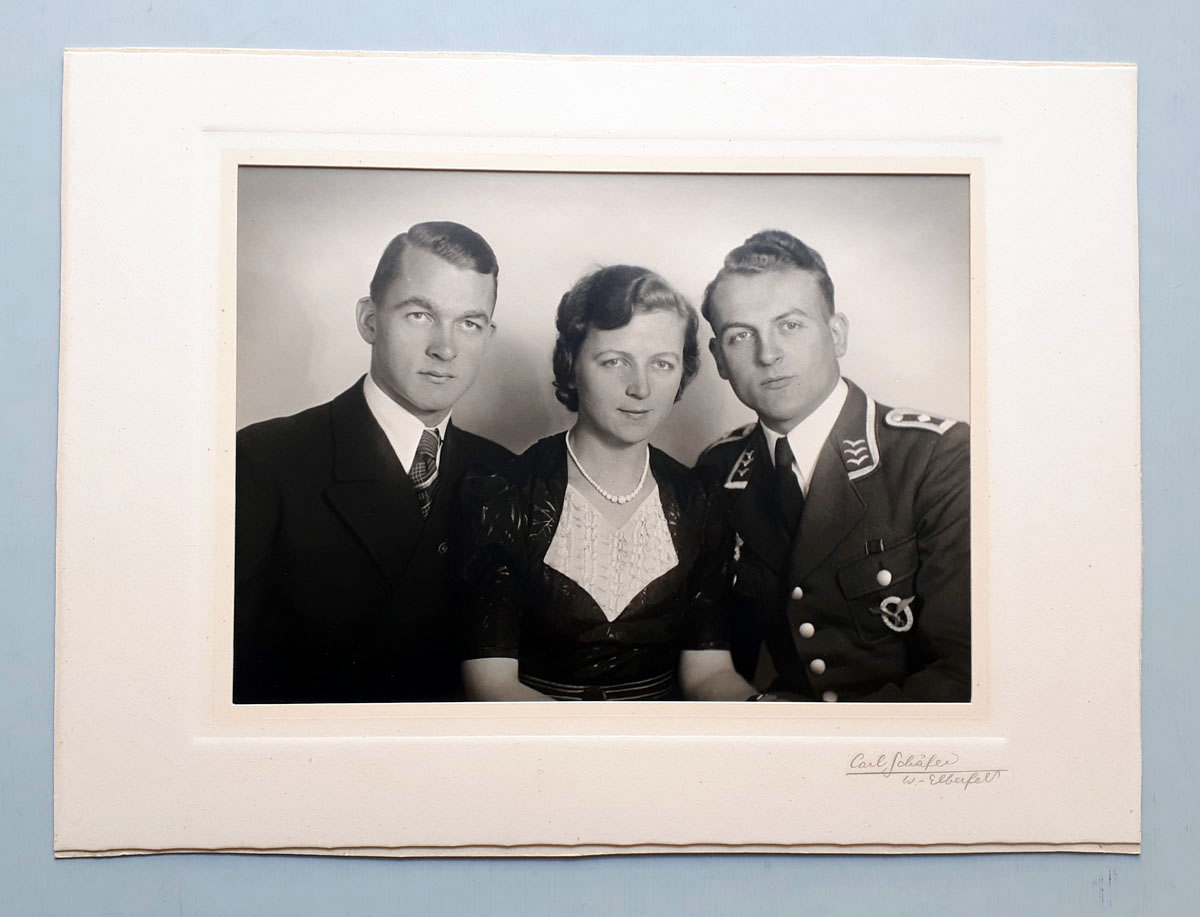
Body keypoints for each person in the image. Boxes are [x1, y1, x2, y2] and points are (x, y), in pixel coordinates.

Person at [234, 221, 514, 703]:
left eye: (468, 323)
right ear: (369, 320)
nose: (445, 348)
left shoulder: (504, 474)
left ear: (488, 335)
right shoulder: (263, 460)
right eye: (420, 315)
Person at [459, 265, 761, 702]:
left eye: (662, 364)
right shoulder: (504, 495)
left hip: (660, 735)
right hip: (538, 738)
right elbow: (491, 685)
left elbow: (708, 672)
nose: (640, 388)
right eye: (615, 361)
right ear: (572, 363)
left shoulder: (699, 500)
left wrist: (762, 708)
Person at [696, 230, 970, 702]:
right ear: (719, 359)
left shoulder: (937, 459)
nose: (768, 354)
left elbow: (965, 674)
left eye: (790, 325)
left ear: (837, 334)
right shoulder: (719, 472)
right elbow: (713, 658)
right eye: (741, 336)